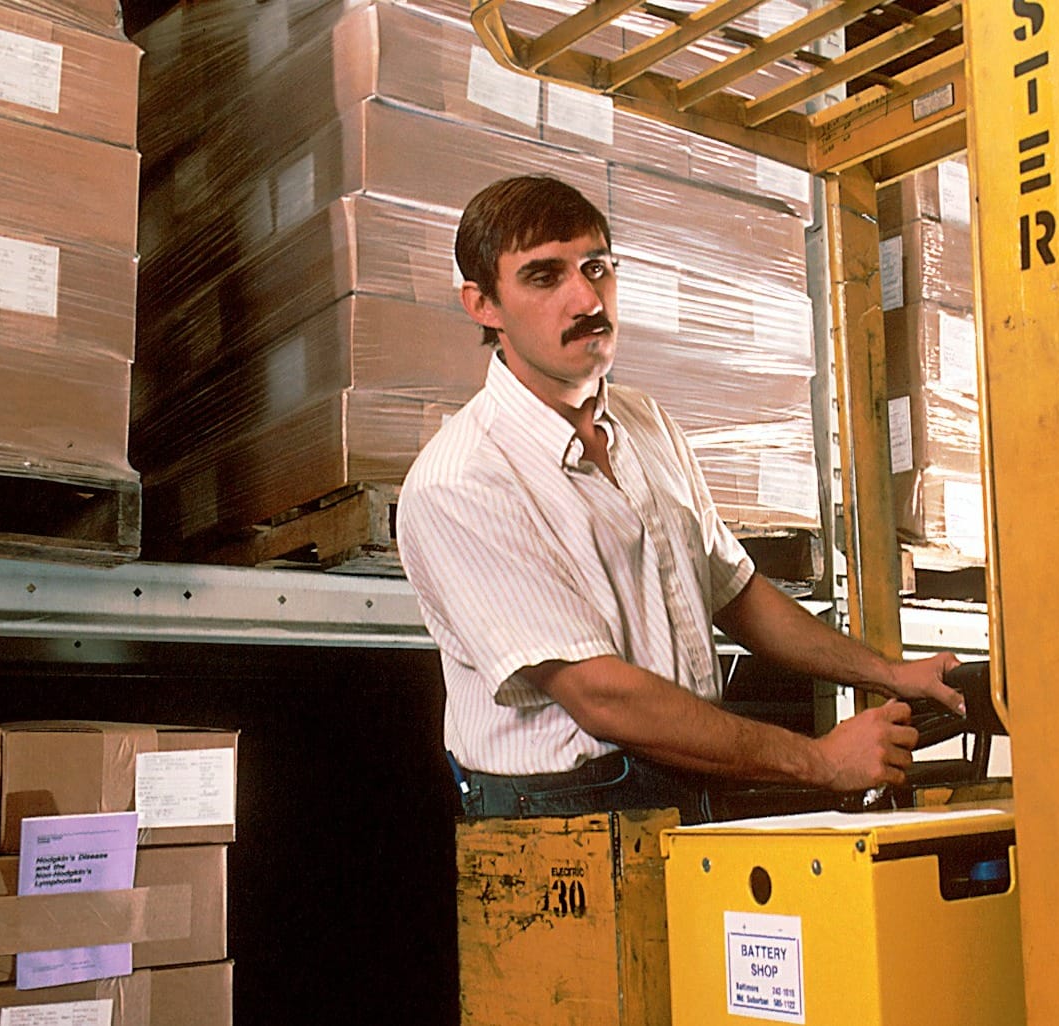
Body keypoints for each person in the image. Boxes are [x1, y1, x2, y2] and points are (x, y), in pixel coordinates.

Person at [402, 175, 964, 823]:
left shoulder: (647, 423)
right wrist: (820, 761)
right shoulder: (464, 480)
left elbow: (735, 591)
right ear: (483, 305)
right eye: (544, 277)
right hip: (562, 813)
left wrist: (888, 673)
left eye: (596, 267)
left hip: (689, 774)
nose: (586, 298)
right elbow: (601, 698)